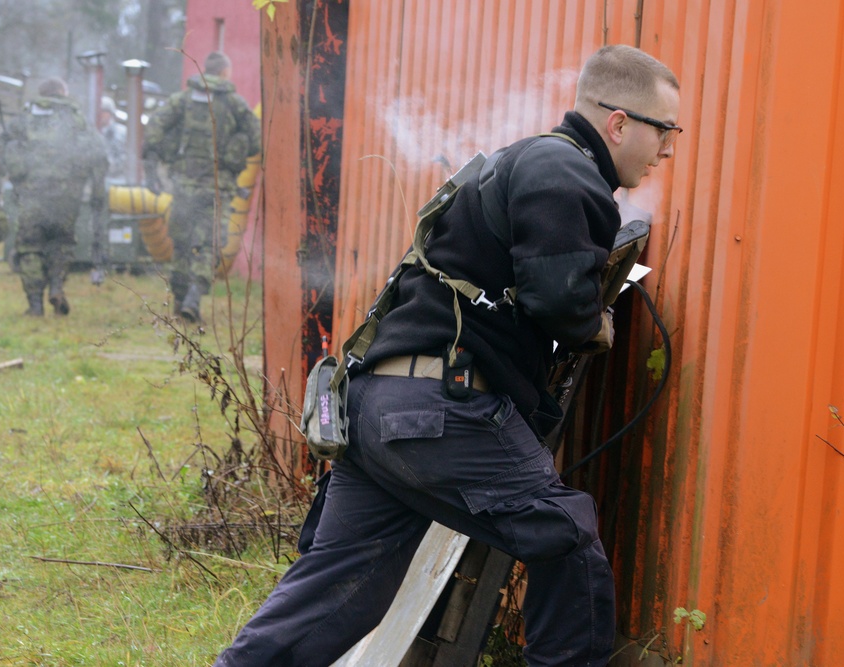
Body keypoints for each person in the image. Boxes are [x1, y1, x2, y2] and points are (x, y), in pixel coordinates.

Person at [213, 44, 682, 667]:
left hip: (377, 408)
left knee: (344, 589)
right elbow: (559, 302)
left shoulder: (524, 161)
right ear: (619, 123)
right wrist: (596, 320)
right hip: (436, 410)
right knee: (566, 534)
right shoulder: (566, 171)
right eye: (665, 131)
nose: (668, 151)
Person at [141, 51, 261, 323]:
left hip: (183, 186)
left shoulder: (181, 101)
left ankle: (180, 304)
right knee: (209, 245)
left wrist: (154, 170)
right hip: (217, 189)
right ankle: (193, 301)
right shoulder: (234, 103)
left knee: (181, 245)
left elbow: (154, 131)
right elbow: (255, 140)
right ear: (224, 73)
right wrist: (234, 149)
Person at [0, 77, 108, 316]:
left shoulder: (24, 119)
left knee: (30, 247)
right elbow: (99, 155)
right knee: (61, 243)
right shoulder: (76, 118)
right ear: (62, 93)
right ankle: (56, 287)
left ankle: (34, 306)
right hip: (68, 196)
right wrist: (97, 194)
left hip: (32, 195)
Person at [99, 95, 128, 183]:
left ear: (109, 114)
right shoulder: (93, 131)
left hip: (117, 180)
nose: (99, 115)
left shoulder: (121, 132)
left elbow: (125, 157)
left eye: (102, 112)